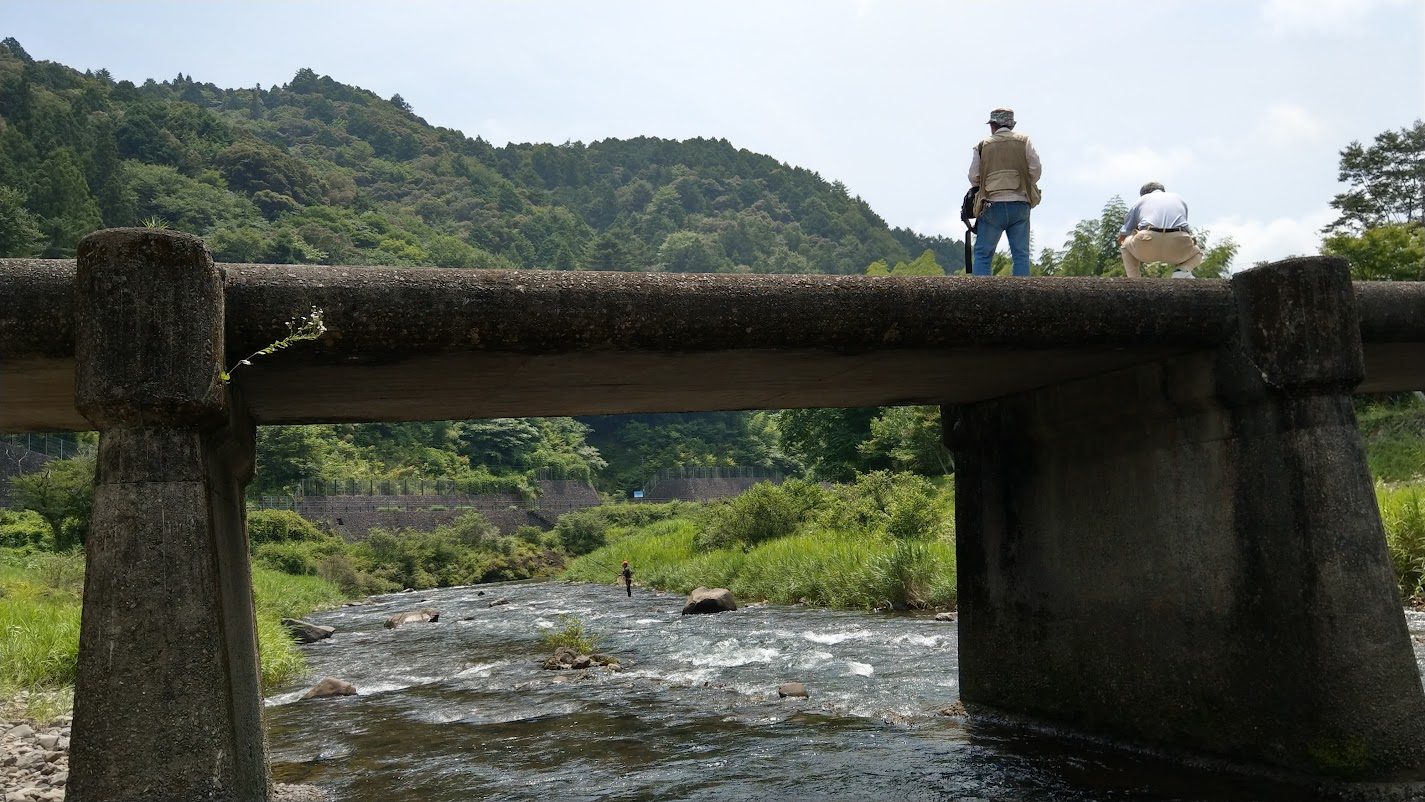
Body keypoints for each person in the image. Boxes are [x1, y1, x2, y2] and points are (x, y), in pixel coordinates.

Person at [968, 107, 1043, 276]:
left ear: (993, 125)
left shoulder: (982, 146)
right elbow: (1036, 171)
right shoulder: (1024, 141)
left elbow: (974, 177)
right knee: (1021, 255)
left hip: (991, 205)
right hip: (1020, 203)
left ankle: (980, 292)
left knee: (983, 256)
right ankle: (1021, 291)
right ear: (1011, 124)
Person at [1117, 182, 1204, 278]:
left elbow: (1124, 233)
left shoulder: (1142, 199)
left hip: (1148, 241)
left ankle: (1134, 280)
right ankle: (1182, 271)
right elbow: (1183, 228)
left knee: (1125, 243)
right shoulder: (1179, 199)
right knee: (1198, 252)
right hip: (1177, 244)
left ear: (1144, 194)